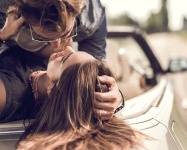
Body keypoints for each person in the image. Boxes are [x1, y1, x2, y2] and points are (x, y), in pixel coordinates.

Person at [0, 0, 123, 122]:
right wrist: (118, 98)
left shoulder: (91, 17)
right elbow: (89, 77)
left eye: (66, 34)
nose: (58, 46)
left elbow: (88, 76)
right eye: (43, 39)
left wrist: (2, 35)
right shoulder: (5, 10)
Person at [17, 50, 146, 150]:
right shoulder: (130, 141)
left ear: (52, 89)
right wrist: (118, 98)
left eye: (64, 59)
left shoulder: (12, 96)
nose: (68, 46)